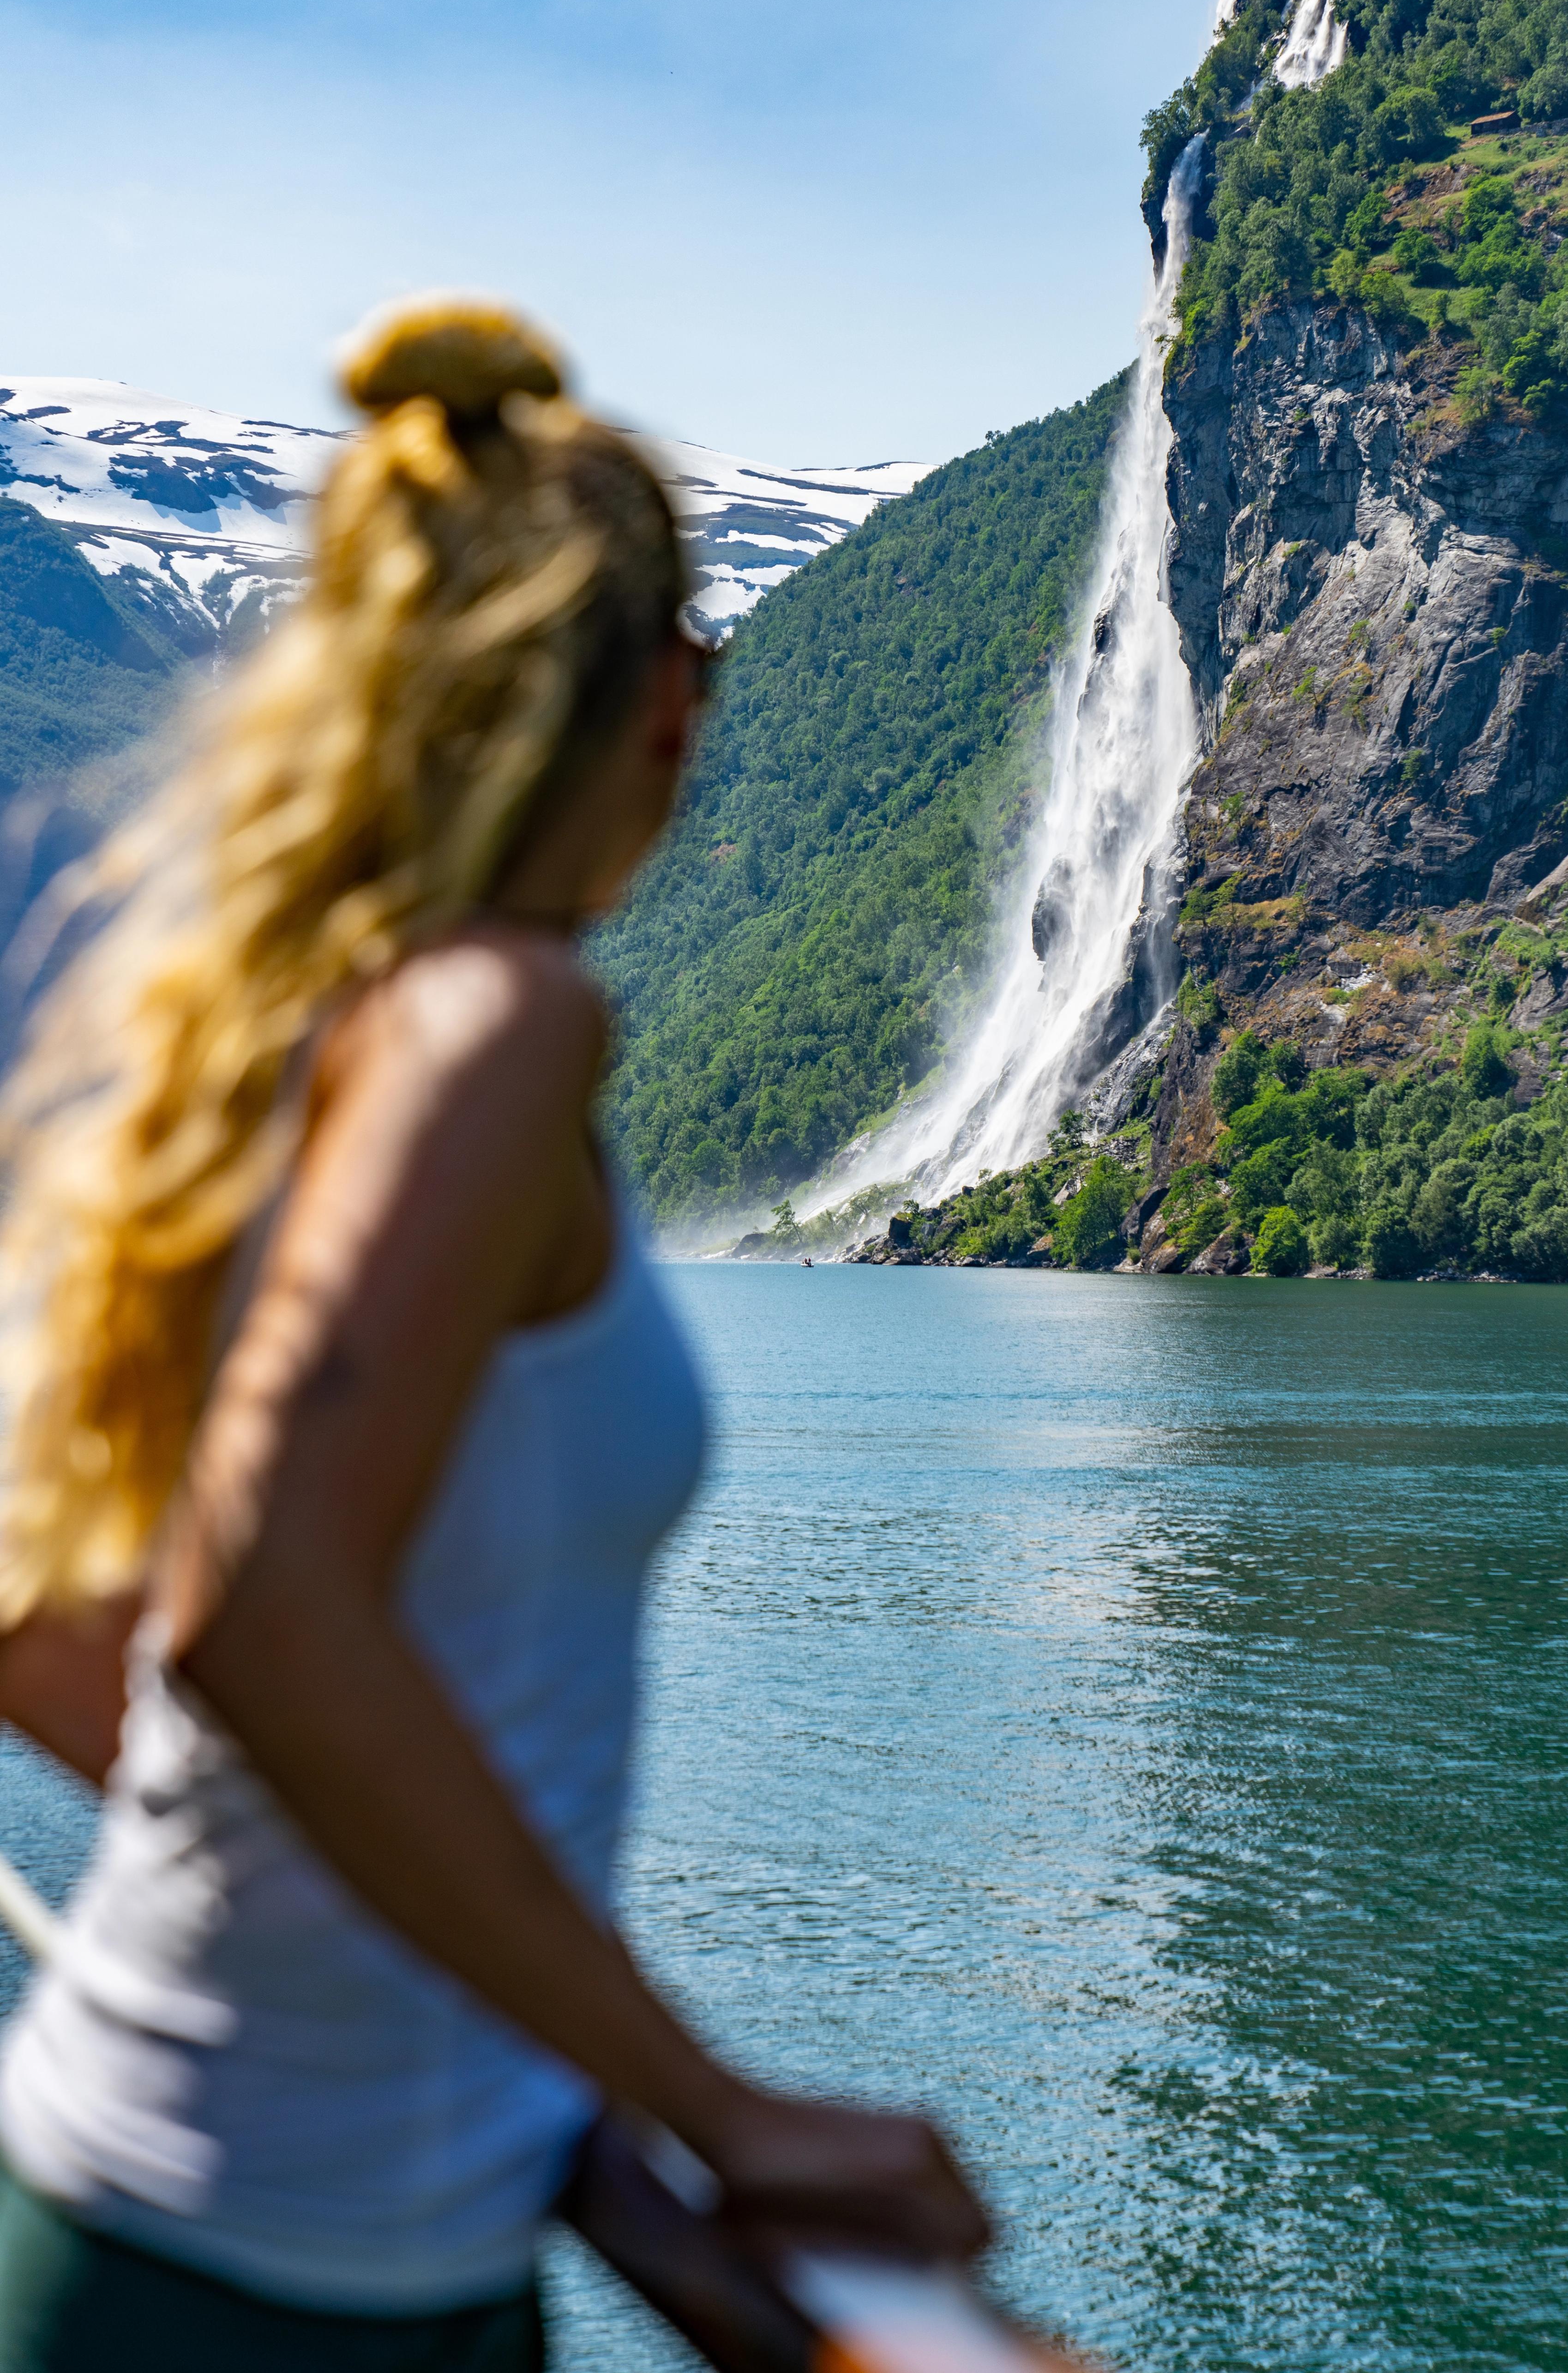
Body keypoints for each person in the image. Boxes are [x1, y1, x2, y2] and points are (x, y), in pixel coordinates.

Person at [0, 301, 985, 2368]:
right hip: (292, 2274)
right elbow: (264, 1608)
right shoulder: (496, 1020)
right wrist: (720, 2106)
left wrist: (444, 1970)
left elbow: (45, 1612)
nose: (715, 686)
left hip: (209, 2211)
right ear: (634, 691)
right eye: (699, 636)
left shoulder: (256, 1036)